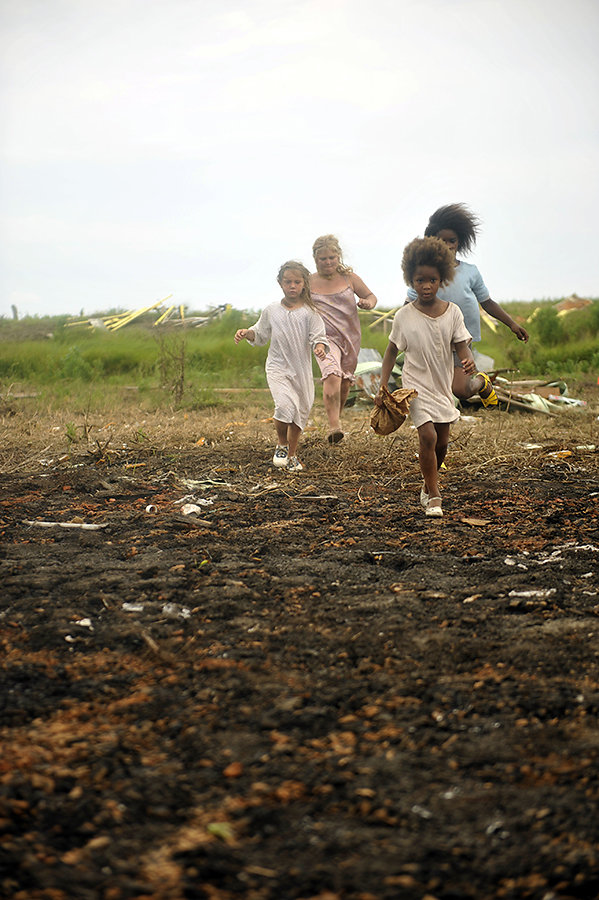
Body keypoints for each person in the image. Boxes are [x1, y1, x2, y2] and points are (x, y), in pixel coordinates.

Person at [376, 236, 476, 518]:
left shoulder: (452, 313)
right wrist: (383, 385)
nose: (426, 286)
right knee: (428, 436)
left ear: (442, 279)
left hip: (442, 386)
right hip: (415, 388)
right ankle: (434, 495)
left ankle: (427, 481)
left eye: (432, 280)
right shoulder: (404, 316)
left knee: (442, 444)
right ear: (411, 279)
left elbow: (461, 347)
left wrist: (468, 362)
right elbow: (391, 351)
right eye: (420, 280)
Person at [407, 203, 529, 407]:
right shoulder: (425, 273)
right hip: (431, 336)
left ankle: (481, 381)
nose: (447, 244)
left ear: (459, 242)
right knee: (434, 386)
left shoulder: (470, 272)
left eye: (452, 240)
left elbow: (487, 302)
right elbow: (409, 303)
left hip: (461, 338)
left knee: (461, 390)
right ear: (432, 241)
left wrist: (512, 324)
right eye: (441, 240)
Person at [234, 261, 328, 473]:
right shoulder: (271, 311)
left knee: (299, 411)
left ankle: (292, 454)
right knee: (284, 406)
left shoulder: (311, 313)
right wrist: (246, 332)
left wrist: (320, 347)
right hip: (278, 367)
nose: (292, 286)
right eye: (288, 282)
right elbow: (260, 334)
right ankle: (282, 444)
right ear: (280, 283)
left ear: (304, 284)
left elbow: (318, 337)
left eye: (297, 282)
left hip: (301, 370)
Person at [310, 234, 377, 443]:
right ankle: (334, 426)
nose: (328, 262)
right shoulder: (308, 281)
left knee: (345, 381)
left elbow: (371, 297)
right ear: (315, 259)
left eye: (332, 257)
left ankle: (336, 419)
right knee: (332, 374)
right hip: (323, 339)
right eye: (323, 259)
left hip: (349, 337)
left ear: (338, 256)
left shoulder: (350, 278)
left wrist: (367, 303)